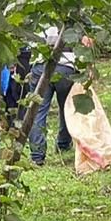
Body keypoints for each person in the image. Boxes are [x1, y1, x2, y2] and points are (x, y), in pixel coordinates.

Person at [27, 26, 79, 165]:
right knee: (67, 108)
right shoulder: (71, 18)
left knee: (37, 111)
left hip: (40, 65)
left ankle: (37, 155)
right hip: (66, 67)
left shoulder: (39, 14)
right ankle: (63, 144)